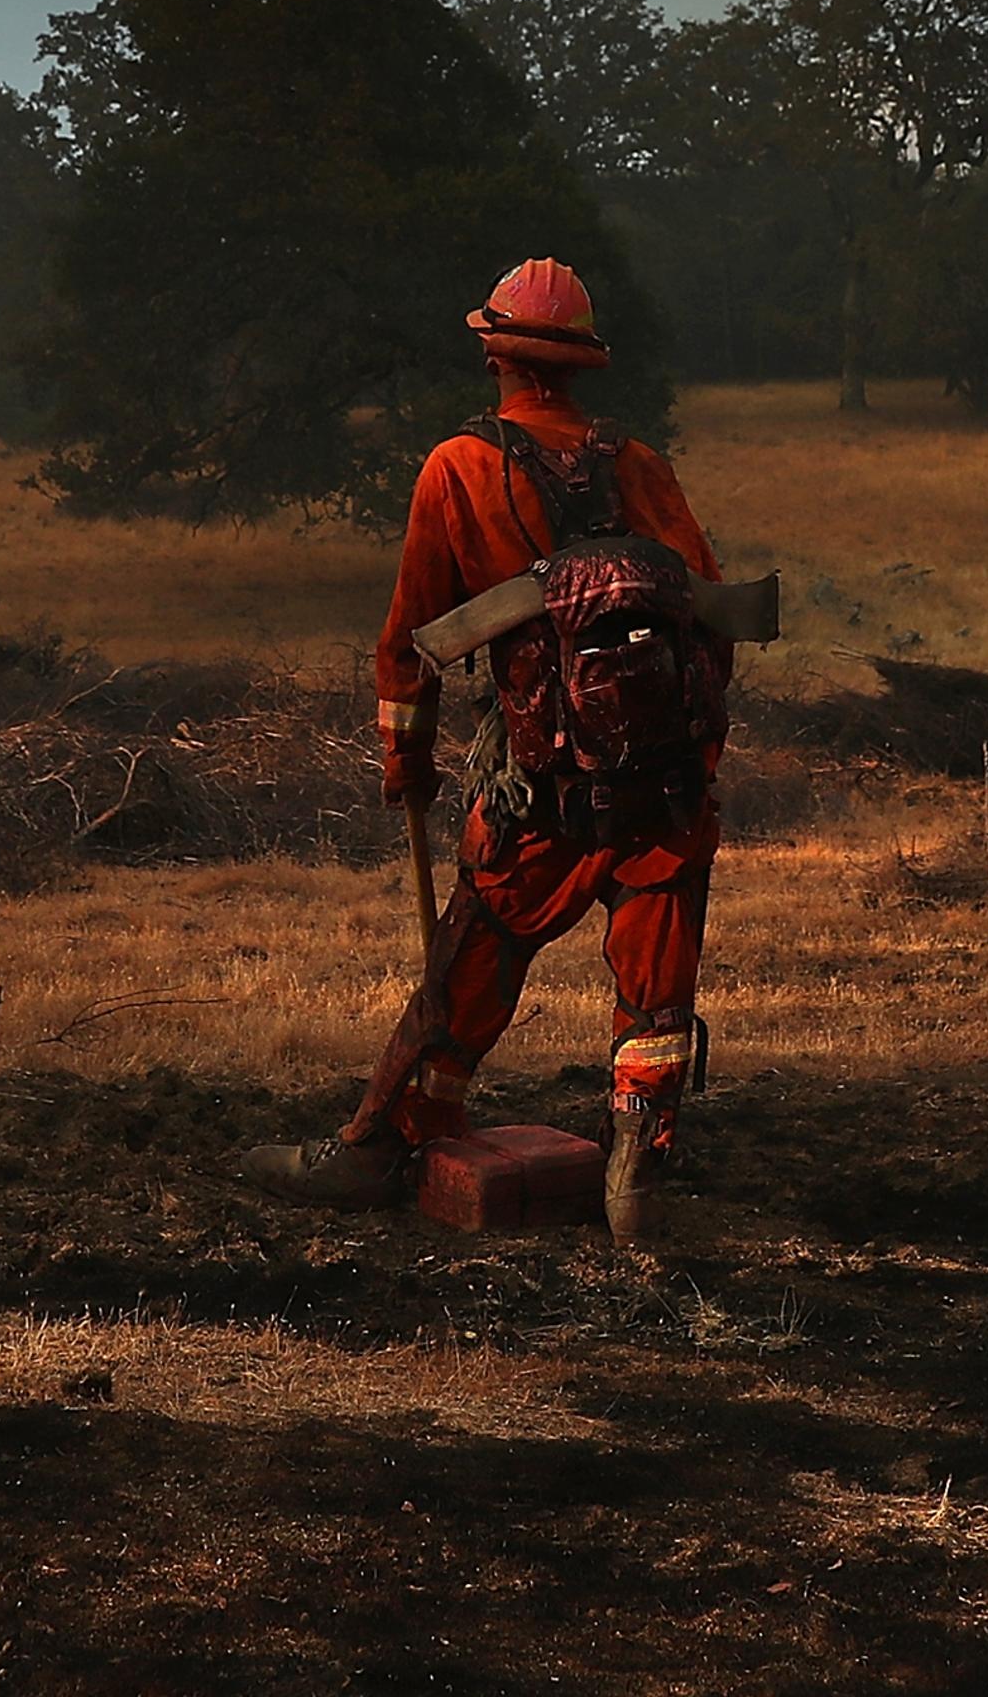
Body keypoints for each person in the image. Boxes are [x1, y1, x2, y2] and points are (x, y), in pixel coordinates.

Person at [245, 259, 730, 1246]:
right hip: (665, 800)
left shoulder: (459, 469)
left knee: (473, 957)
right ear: (582, 362)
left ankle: (385, 1143)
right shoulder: (640, 463)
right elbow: (712, 615)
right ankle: (636, 1176)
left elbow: (409, 638)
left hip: (538, 796)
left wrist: (406, 763)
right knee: (655, 1003)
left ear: (492, 352)